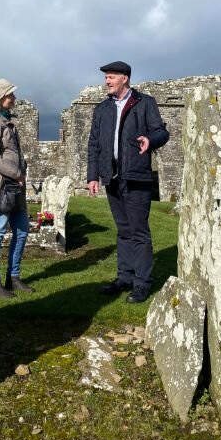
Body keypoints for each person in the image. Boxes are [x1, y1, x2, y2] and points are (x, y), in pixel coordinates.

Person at [87, 61, 169, 303]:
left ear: (125, 78)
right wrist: (93, 176)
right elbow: (93, 145)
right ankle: (124, 278)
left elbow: (162, 132)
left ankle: (142, 283)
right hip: (111, 178)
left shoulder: (145, 103)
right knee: (123, 231)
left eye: (111, 77)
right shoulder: (101, 110)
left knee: (139, 232)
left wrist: (150, 139)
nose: (107, 81)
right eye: (105, 78)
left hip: (136, 177)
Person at [0, 78, 34, 298]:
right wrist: (16, 174)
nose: (14, 98)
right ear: (1, 98)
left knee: (21, 231)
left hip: (14, 186)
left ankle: (14, 278)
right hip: (0, 186)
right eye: (10, 95)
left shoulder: (6, 119)